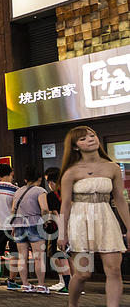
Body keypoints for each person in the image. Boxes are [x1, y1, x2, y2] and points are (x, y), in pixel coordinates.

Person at [58, 126, 130, 307]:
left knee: (114, 270)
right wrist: (61, 233)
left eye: (92, 135)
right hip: (79, 221)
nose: (90, 139)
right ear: (75, 146)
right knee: (82, 274)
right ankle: (72, 304)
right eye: (83, 138)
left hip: (106, 218)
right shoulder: (71, 171)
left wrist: (129, 228)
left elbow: (120, 200)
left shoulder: (112, 167)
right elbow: (65, 205)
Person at [11, 166, 49, 293]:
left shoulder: (18, 191)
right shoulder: (40, 190)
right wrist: (46, 220)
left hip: (18, 224)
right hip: (34, 223)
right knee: (38, 257)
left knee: (22, 257)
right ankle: (41, 285)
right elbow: (44, 208)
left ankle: (25, 284)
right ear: (39, 178)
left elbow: (12, 211)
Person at [43, 167, 70, 294]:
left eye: (48, 182)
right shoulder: (70, 192)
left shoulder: (51, 196)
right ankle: (76, 285)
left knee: (61, 256)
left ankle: (68, 285)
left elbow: (56, 215)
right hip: (75, 226)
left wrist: (62, 233)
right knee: (73, 257)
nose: (49, 185)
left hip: (61, 229)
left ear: (52, 182)